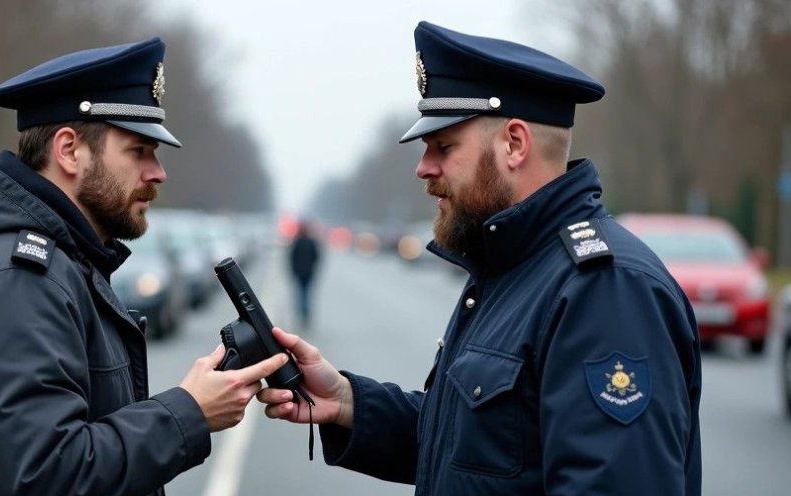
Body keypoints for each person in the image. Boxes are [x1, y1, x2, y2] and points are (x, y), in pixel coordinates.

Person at [257, 21, 701, 495]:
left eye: (444, 147)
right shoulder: (515, 266)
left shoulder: (604, 290)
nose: (423, 168)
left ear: (514, 144)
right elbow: (478, 448)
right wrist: (347, 403)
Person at [0, 38, 287, 496]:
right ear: (70, 150)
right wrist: (188, 412)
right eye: (139, 150)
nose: (158, 172)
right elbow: (45, 477)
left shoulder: (68, 266)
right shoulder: (18, 281)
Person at [288, 220, 321, 328]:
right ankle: (305, 314)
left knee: (300, 293)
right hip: (309, 272)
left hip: (299, 272)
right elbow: (316, 257)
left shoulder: (297, 241)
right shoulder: (311, 242)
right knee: (306, 294)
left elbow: (292, 257)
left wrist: (293, 270)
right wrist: (312, 267)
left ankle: (301, 313)